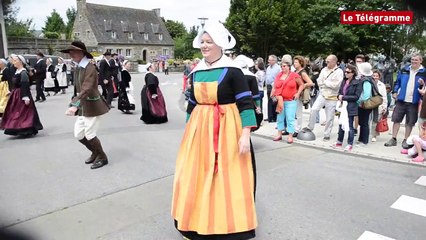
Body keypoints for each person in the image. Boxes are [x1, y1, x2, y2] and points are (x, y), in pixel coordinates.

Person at [172, 22, 257, 240]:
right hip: (200, 131)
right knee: (195, 175)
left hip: (227, 129)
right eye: (202, 41)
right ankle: (195, 223)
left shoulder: (233, 71)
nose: (204, 45)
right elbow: (192, 103)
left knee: (226, 177)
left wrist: (245, 133)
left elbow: (246, 103)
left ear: (220, 44)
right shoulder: (196, 71)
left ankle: (226, 226)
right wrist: (189, 129)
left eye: (209, 42)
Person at [62, 41, 110, 170]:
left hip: (92, 105)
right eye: (70, 52)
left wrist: (75, 104)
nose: (71, 55)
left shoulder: (90, 68)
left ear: (81, 53)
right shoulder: (78, 66)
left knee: (90, 134)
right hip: (82, 104)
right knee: (78, 134)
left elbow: (87, 87)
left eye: (73, 52)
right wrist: (74, 101)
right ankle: (95, 152)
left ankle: (102, 157)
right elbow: (77, 88)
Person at [385, 53, 426, 148]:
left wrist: (423, 84)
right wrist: (395, 91)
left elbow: (424, 87)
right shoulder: (404, 69)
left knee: (410, 122)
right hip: (401, 99)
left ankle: (406, 140)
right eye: (412, 59)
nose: (414, 61)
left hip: (414, 101)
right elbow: (397, 82)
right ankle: (393, 138)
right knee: (396, 119)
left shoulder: (424, 72)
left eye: (416, 60)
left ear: (421, 61)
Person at [303, 55, 344, 141]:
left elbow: (336, 85)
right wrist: (328, 83)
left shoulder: (339, 71)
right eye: (326, 61)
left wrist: (325, 82)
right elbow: (319, 81)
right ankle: (310, 127)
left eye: (328, 61)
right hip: (322, 94)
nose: (326, 62)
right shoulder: (324, 70)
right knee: (314, 109)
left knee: (329, 117)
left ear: (334, 62)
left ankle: (327, 134)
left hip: (332, 97)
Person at [0, 55, 43, 136]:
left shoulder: (23, 72)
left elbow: (25, 85)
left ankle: (26, 129)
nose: (14, 62)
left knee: (24, 112)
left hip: (22, 94)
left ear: (21, 62)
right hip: (16, 94)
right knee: (16, 112)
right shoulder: (17, 71)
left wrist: (25, 97)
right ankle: (17, 128)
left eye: (15, 61)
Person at [332, 64, 362, 151]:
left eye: (348, 72)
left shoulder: (357, 83)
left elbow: (356, 96)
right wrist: (339, 97)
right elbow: (340, 92)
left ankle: (350, 143)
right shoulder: (344, 81)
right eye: (345, 71)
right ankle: (339, 141)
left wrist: (344, 97)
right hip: (342, 106)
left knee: (349, 125)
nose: (346, 73)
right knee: (341, 123)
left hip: (350, 106)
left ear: (353, 73)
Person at [370, 70, 388, 142]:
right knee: (369, 120)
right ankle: (369, 133)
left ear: (379, 77)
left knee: (375, 120)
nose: (375, 77)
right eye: (373, 76)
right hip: (370, 104)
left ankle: (373, 135)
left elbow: (384, 97)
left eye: (376, 76)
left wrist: (384, 107)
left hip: (378, 105)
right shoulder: (369, 83)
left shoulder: (382, 85)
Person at [265, 55, 280, 122]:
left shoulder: (278, 68)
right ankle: (270, 116)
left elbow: (278, 78)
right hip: (268, 86)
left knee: (274, 101)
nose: (269, 61)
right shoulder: (268, 68)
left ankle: (275, 116)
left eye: (270, 60)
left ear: (274, 61)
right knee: (269, 101)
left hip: (274, 86)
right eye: (269, 60)